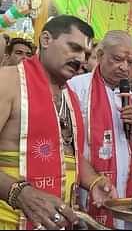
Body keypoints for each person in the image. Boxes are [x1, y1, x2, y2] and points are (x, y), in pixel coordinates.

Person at [0, 15, 116, 230]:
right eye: (73, 47)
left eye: (86, 54)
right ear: (45, 40)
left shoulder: (69, 96)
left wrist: (94, 181)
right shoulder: (8, 81)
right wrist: (19, 193)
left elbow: (67, 154)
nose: (80, 59)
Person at [68, 30, 132, 229]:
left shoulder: (128, 95)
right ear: (99, 55)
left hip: (125, 186)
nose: (124, 67)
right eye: (117, 59)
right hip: (89, 185)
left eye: (130, 62)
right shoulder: (76, 87)